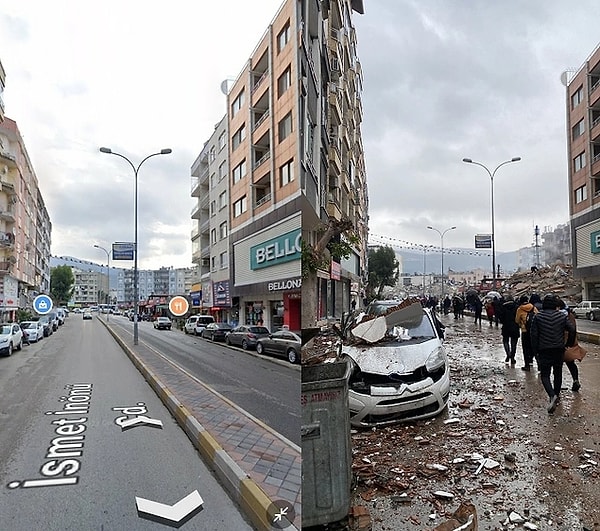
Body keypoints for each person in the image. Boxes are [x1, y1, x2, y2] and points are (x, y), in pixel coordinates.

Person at [530, 294, 576, 414]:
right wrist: (568, 343)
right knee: (558, 373)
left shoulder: (538, 317)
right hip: (559, 349)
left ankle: (552, 396)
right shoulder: (561, 316)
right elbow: (572, 329)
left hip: (544, 350)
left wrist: (535, 352)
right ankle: (556, 395)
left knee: (545, 375)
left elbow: (533, 336)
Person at [558, 300, 582, 391]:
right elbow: (574, 329)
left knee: (558, 365)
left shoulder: (557, 316)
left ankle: (558, 385)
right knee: (571, 363)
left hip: (560, 342)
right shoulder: (570, 315)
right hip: (571, 342)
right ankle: (575, 380)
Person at [515, 295, 537, 371]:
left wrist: (522, 324)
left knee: (525, 348)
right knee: (534, 347)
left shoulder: (520, 309)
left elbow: (517, 320)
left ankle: (527, 365)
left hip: (525, 331)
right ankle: (538, 364)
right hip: (533, 331)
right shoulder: (533, 307)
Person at [500, 295, 520, 364]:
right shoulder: (517, 307)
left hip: (506, 327)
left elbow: (501, 318)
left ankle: (508, 354)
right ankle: (512, 357)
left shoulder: (503, 307)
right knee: (514, 343)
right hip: (515, 327)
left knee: (505, 341)